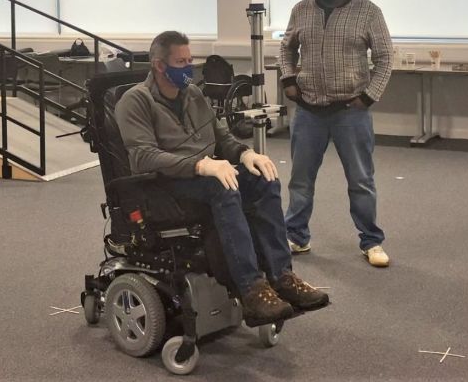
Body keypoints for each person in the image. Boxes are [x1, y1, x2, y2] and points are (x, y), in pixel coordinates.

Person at [115, 31, 329, 326]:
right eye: (181, 61)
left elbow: (221, 137)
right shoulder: (135, 100)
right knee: (222, 187)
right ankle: (251, 289)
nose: (188, 68)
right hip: (165, 183)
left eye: (190, 60)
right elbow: (142, 157)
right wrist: (199, 166)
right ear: (159, 65)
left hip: (206, 173)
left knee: (262, 178)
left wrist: (244, 154)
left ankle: (282, 276)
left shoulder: (193, 94)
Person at [279, 0, 394, 267]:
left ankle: (371, 241)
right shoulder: (301, 9)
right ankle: (297, 236)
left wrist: (369, 97)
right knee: (301, 180)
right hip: (308, 111)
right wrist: (288, 80)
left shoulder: (367, 11)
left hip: (350, 112)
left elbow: (385, 57)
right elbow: (286, 47)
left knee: (360, 180)